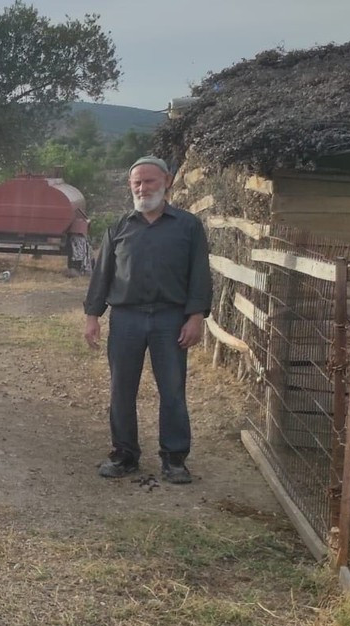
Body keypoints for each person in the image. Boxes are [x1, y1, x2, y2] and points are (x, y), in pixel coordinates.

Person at [83, 156, 213, 484]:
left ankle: (174, 459)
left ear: (166, 181)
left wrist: (195, 317)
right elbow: (102, 275)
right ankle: (124, 454)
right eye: (136, 183)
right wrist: (92, 315)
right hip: (126, 318)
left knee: (172, 388)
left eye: (149, 181)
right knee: (121, 389)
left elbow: (200, 275)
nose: (142, 188)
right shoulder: (119, 227)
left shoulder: (188, 226)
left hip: (170, 319)